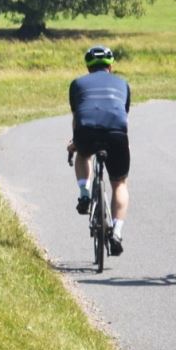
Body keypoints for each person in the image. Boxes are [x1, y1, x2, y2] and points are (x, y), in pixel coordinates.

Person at [67, 44, 132, 255]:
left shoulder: (77, 83)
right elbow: (123, 117)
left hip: (86, 131)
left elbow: (77, 117)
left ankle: (84, 193)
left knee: (83, 154)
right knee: (119, 183)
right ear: (111, 66)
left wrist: (75, 143)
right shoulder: (123, 84)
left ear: (88, 67)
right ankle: (117, 232)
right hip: (116, 134)